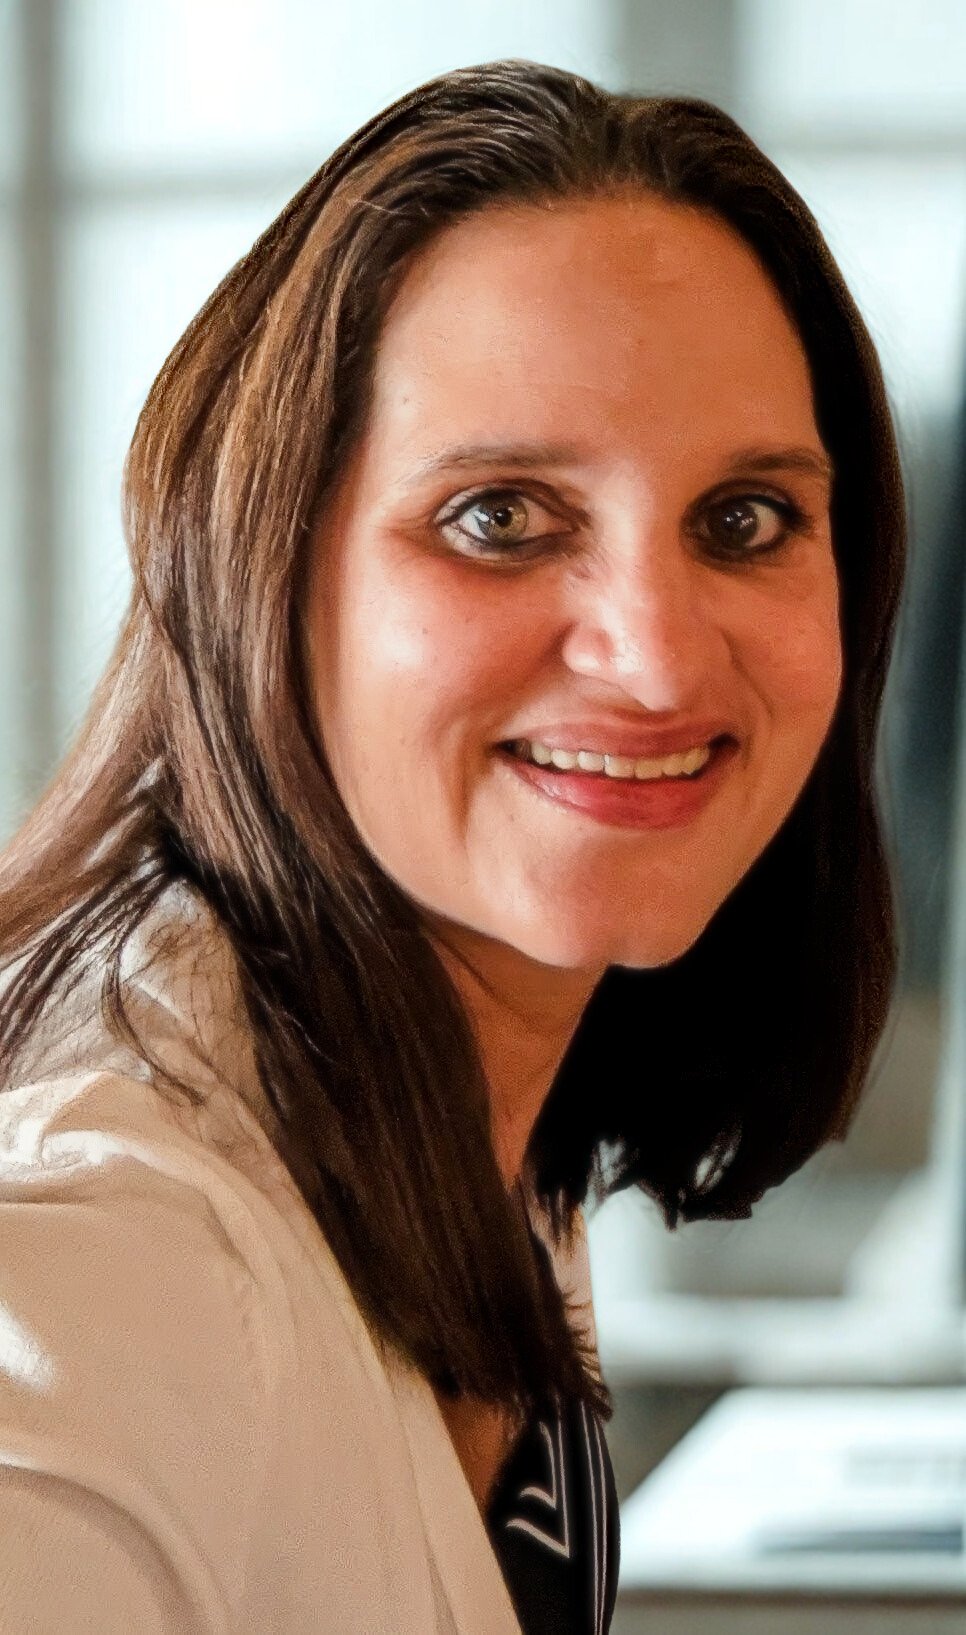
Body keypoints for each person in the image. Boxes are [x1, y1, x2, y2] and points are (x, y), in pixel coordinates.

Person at [0, 57, 906, 1635]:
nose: (659, 662)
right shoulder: (91, 1270)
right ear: (259, 570)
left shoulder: (479, 1091)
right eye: (501, 516)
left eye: (744, 520)